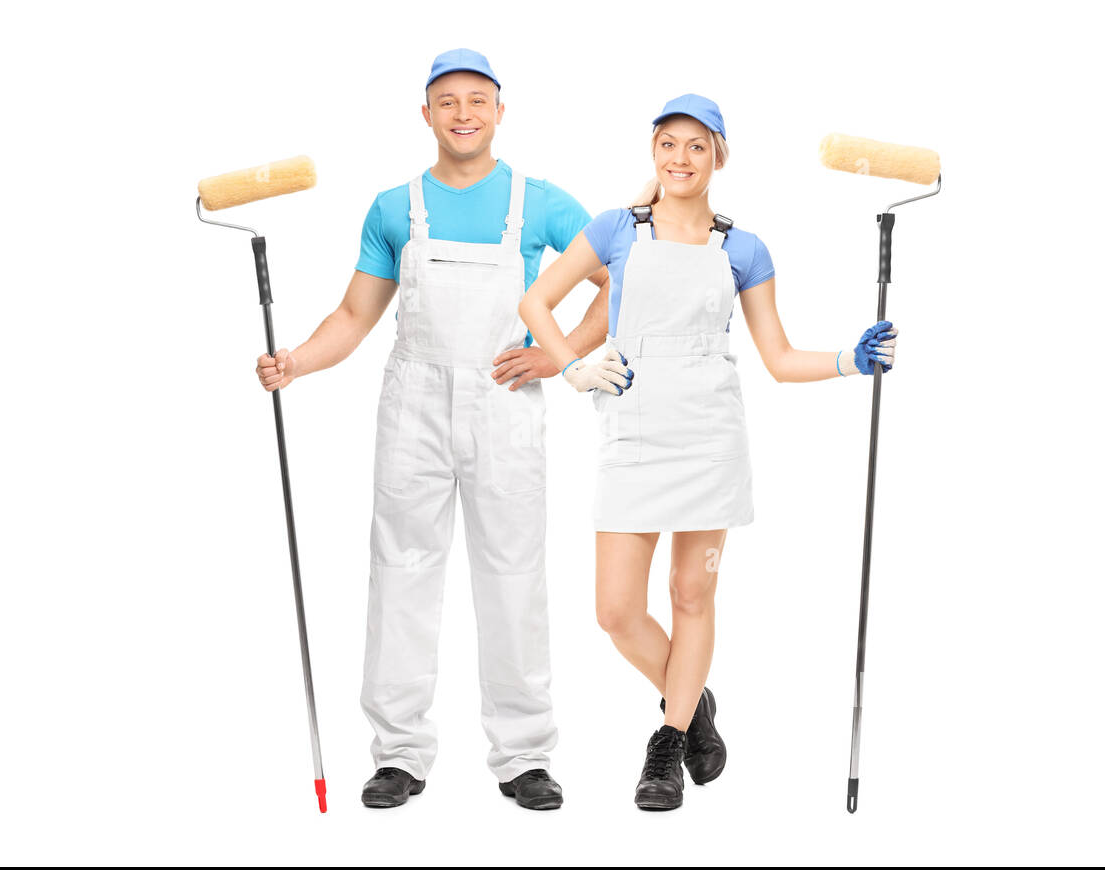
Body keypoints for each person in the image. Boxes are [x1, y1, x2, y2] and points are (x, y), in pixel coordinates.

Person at [256, 49, 629, 811]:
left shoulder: (542, 201)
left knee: (513, 575)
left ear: (500, 111)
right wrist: (295, 360)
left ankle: (524, 755)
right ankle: (398, 754)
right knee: (401, 570)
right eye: (448, 102)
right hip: (414, 404)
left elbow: (618, 276)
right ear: (425, 114)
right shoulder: (394, 208)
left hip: (505, 402)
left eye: (478, 101)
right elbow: (356, 315)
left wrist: (556, 354)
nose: (464, 114)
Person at [518, 94, 898, 810]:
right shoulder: (615, 230)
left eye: (697, 146)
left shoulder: (743, 248)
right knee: (615, 613)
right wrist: (571, 364)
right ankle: (694, 700)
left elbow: (779, 358)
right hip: (633, 438)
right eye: (668, 143)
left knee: (692, 596)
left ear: (718, 156)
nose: (680, 158)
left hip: (708, 441)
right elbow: (536, 302)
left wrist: (852, 359)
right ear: (653, 151)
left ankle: (666, 743)